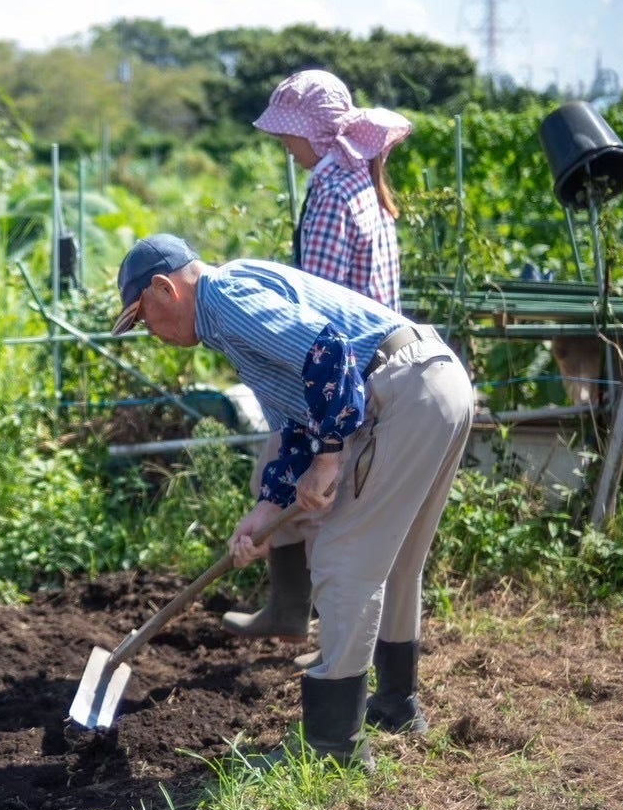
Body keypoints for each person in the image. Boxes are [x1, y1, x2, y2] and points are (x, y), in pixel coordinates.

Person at [112, 234, 473, 768]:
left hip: (404, 391)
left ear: (165, 288)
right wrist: (268, 506)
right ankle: (396, 705)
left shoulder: (223, 300)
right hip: (435, 382)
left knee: (344, 558)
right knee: (395, 561)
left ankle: (333, 745)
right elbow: (297, 420)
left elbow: (329, 351)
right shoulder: (228, 305)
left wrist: (329, 458)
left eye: (144, 317)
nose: (151, 332)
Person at [221, 70, 414, 648]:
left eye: (289, 133)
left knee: (315, 503)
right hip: (374, 367)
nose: (284, 145)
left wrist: (314, 416)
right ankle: (292, 613)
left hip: (344, 374)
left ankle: (331, 640)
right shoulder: (358, 180)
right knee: (283, 480)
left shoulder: (332, 193)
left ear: (317, 133)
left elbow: (319, 318)